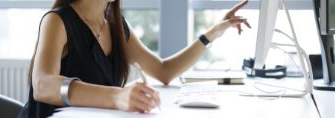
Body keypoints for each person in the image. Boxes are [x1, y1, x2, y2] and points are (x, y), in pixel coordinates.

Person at [18, 0, 251, 117]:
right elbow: (42, 85)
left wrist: (212, 34)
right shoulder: (57, 21)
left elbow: (164, 71)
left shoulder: (116, 26)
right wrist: (118, 96)